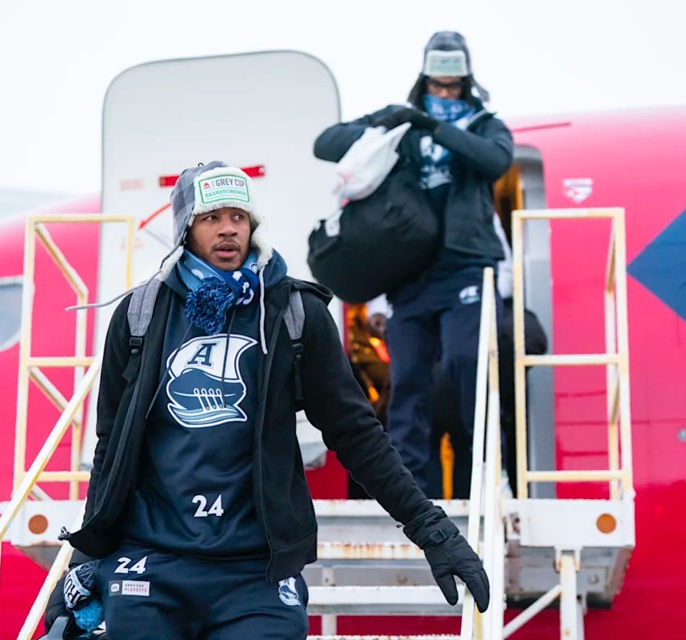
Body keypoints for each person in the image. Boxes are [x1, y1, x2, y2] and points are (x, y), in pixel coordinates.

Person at [44, 162, 488, 639]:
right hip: (152, 563)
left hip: (257, 574)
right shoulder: (139, 316)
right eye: (211, 217)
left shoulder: (297, 315)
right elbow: (112, 446)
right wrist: (86, 557)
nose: (228, 228)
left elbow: (356, 434)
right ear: (185, 229)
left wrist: (431, 529)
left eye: (238, 216)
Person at [313, 31, 513, 495]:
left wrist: (433, 126)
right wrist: (382, 122)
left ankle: (492, 472)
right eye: (437, 85)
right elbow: (324, 144)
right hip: (409, 273)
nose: (445, 94)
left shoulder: (484, 124)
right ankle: (409, 493)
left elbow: (496, 160)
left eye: (453, 86)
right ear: (424, 80)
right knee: (407, 385)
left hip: (466, 266)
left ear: (467, 84)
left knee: (468, 363)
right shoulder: (401, 128)